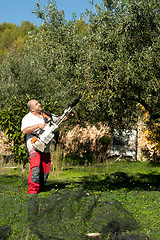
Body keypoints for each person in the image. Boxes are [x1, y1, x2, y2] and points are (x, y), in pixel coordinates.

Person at [21, 99, 72, 194]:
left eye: (38, 103)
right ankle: (32, 191)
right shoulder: (27, 118)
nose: (39, 104)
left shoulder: (46, 115)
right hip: (34, 144)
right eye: (36, 104)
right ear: (32, 109)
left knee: (46, 166)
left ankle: (41, 187)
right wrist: (37, 125)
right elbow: (24, 131)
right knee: (35, 166)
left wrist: (68, 116)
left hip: (45, 144)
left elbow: (58, 119)